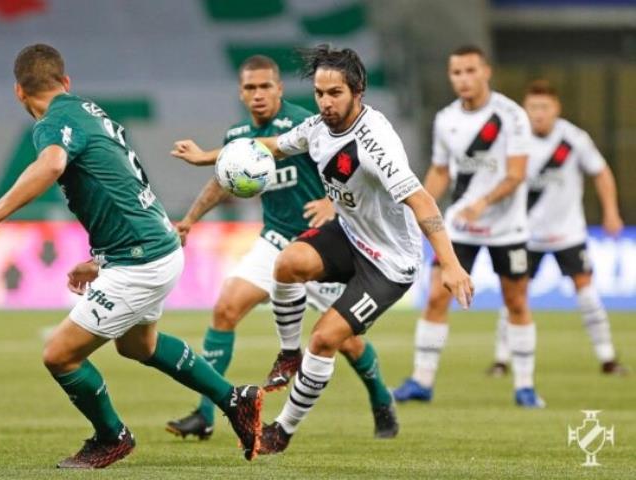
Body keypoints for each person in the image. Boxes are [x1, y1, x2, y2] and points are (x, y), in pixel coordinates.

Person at [0, 44, 264, 468]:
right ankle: (234, 398)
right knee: (139, 345)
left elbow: (51, 166)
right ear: (66, 81)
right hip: (153, 245)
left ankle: (112, 436)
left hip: (141, 259)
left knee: (60, 355)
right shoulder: (92, 112)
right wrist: (101, 258)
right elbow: (120, 185)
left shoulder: (53, 123)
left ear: (19, 92)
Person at [236, 44, 472, 454]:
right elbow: (273, 146)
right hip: (350, 234)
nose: (325, 103)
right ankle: (288, 354)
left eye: (335, 94)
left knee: (326, 339)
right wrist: (210, 158)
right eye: (319, 93)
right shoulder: (316, 128)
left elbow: (423, 201)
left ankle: (282, 430)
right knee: (288, 262)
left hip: (389, 263)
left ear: (358, 91)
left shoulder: (376, 143)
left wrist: (449, 264)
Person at [168, 55, 399, 440]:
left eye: (265, 86)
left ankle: (380, 398)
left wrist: (332, 202)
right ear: (241, 93)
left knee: (349, 343)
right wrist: (191, 218)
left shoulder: (306, 124)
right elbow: (222, 181)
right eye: (250, 88)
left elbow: (346, 165)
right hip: (275, 242)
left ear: (278, 89)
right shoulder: (238, 135)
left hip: (321, 248)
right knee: (226, 308)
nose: (258, 94)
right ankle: (205, 413)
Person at [393, 45, 546, 408]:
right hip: (460, 228)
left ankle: (524, 386)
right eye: (456, 72)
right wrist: (415, 211)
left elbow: (517, 174)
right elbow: (442, 170)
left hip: (508, 229)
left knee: (516, 302)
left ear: (486, 72)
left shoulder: (512, 116)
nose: (463, 78)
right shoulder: (446, 119)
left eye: (469, 71)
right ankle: (421, 381)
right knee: (434, 297)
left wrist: (483, 202)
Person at [487, 79, 627, 376]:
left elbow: (601, 173)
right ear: (525, 109)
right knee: (514, 295)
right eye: (533, 107)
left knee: (587, 293)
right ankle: (501, 359)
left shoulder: (573, 139)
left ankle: (608, 358)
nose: (538, 113)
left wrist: (611, 211)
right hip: (525, 234)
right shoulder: (513, 139)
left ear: (556, 108)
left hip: (568, 234)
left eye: (544, 107)